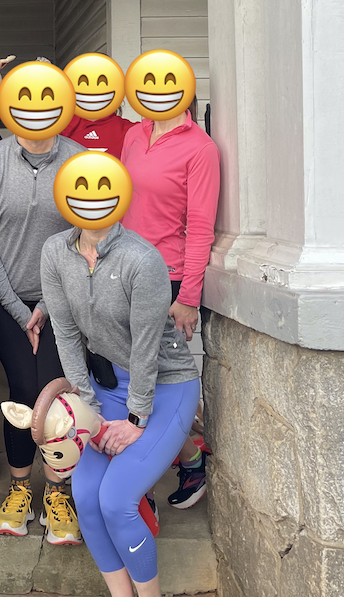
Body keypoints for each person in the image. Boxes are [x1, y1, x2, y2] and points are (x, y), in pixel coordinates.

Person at [40, 219, 201, 597]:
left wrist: (135, 419)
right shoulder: (55, 252)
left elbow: (146, 349)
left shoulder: (142, 258)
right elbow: (65, 333)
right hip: (107, 387)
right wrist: (90, 411)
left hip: (165, 386)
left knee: (115, 500)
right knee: (86, 497)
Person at [0, 127, 85, 541]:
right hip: (1, 297)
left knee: (55, 392)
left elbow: (83, 232)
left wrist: (46, 304)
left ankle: (57, 491)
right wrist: (21, 312)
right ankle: (20, 487)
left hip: (60, 298)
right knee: (22, 387)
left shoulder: (77, 157)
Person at [118, 102, 218, 507]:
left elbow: (201, 227)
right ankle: (180, 462)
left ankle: (181, 467)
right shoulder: (134, 134)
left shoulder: (201, 148)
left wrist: (188, 297)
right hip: (122, 270)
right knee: (129, 380)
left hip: (166, 276)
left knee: (156, 382)